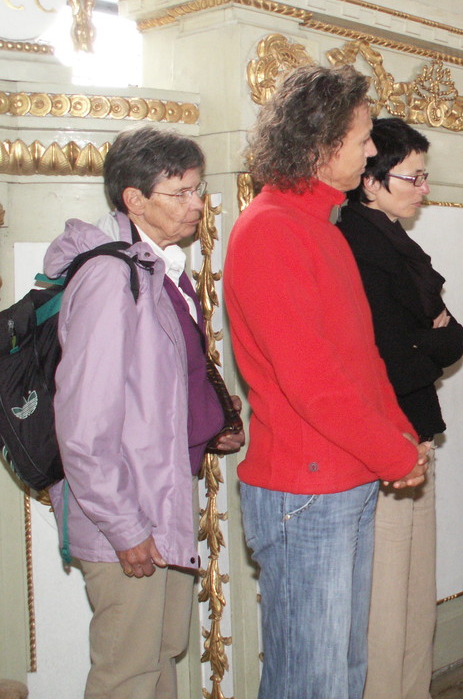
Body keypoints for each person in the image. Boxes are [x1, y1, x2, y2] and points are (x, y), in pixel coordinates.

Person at [224, 65, 429, 699]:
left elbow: (360, 361)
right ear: (320, 140)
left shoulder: (320, 223)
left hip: (343, 478)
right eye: (364, 135)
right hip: (304, 490)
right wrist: (392, 451)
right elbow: (311, 380)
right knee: (309, 683)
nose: (371, 150)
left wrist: (400, 433)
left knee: (342, 674)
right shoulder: (269, 229)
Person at [46, 125, 245, 699]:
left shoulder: (157, 269)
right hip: (125, 510)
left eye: (197, 189)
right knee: (127, 672)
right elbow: (83, 425)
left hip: (159, 494)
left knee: (160, 655)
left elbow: (150, 391)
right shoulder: (112, 277)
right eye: (179, 192)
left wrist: (208, 425)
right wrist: (124, 526)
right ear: (134, 199)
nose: (196, 204)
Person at [337, 117, 463, 699]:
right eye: (413, 176)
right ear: (371, 181)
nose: (424, 188)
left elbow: (447, 334)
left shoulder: (392, 238)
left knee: (417, 593)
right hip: (386, 437)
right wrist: (436, 336)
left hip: (414, 426)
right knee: (388, 601)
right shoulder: (359, 243)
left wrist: (436, 336)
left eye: (424, 175)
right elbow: (390, 357)